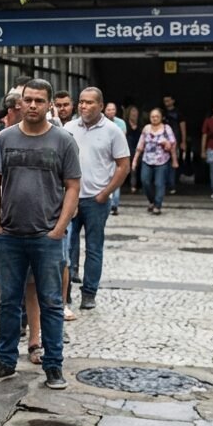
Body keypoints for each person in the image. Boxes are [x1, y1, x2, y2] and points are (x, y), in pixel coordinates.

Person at [0, 79, 80, 391]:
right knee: (9, 301)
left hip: (47, 237)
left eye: (40, 100)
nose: (34, 105)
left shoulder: (63, 141)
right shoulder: (2, 139)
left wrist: (59, 229)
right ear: (19, 103)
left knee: (51, 302)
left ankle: (53, 365)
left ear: (49, 104)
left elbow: (73, 187)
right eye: (29, 100)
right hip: (9, 235)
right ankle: (6, 361)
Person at [64, 88, 131, 311]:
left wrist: (106, 193)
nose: (83, 106)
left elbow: (124, 165)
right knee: (66, 248)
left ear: (100, 106)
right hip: (70, 199)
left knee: (94, 248)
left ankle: (89, 292)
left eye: (89, 103)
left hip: (96, 200)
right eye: (81, 102)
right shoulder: (69, 128)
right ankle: (65, 294)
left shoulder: (112, 131)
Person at [133, 108, 178, 214]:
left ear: (161, 117)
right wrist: (135, 160)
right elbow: (140, 145)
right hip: (147, 159)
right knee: (145, 181)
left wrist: (174, 159)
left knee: (159, 183)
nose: (154, 118)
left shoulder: (166, 128)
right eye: (152, 117)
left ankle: (157, 205)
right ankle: (151, 200)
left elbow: (172, 144)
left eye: (157, 116)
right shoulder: (146, 129)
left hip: (162, 160)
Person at [103, 102, 128, 215]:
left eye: (113, 109)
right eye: (108, 109)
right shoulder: (100, 121)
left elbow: (122, 137)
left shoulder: (120, 123)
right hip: (103, 154)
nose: (110, 111)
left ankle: (114, 205)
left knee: (116, 177)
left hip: (116, 154)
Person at [162, 94, 188, 193]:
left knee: (173, 163)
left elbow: (183, 127)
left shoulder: (178, 113)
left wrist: (183, 141)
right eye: (165, 101)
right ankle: (164, 184)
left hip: (175, 141)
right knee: (163, 163)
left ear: (173, 101)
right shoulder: (162, 113)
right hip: (163, 141)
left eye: (168, 100)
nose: (166, 103)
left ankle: (172, 185)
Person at [124, 104, 143, 193]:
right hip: (128, 149)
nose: (134, 113)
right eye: (132, 111)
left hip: (139, 149)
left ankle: (138, 185)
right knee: (132, 168)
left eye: (135, 111)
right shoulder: (125, 125)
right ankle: (133, 186)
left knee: (139, 167)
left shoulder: (140, 125)